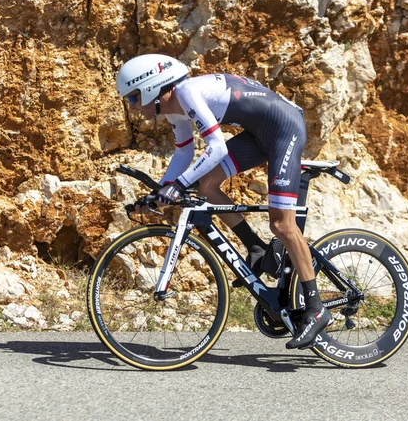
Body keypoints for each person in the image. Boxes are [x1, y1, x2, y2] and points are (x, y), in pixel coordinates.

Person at [115, 53, 332, 349]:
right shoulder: (174, 108)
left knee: (282, 225)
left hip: (284, 128)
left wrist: (177, 186)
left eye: (133, 98)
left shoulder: (186, 92)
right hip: (257, 133)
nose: (133, 106)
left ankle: (316, 307)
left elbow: (215, 147)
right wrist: (158, 195)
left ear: (152, 87)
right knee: (206, 185)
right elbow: (183, 154)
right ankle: (256, 248)